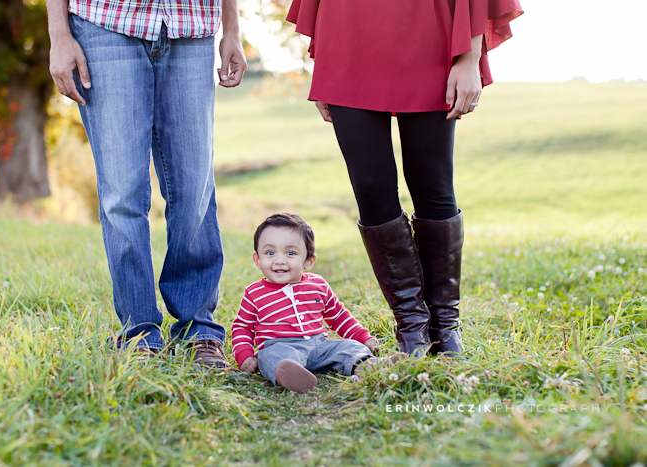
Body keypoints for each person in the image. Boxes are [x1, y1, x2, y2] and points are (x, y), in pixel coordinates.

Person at [286, 0, 523, 357]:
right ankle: (411, 325)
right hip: (347, 37)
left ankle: (445, 327)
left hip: (430, 33)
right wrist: (324, 61)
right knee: (370, 189)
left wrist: (469, 57)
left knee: (433, 185)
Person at [45, 0, 247, 367]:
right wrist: (59, 34)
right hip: (104, 21)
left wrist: (231, 28)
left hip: (193, 24)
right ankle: (138, 332)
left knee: (194, 187)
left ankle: (198, 328)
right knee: (122, 193)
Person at [232, 213, 402, 392]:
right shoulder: (254, 293)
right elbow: (242, 327)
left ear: (308, 261)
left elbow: (338, 316)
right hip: (281, 346)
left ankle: (367, 366)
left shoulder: (317, 285)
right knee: (272, 356)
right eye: (269, 253)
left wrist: (363, 337)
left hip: (319, 345)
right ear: (258, 260)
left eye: (290, 253)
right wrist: (244, 355)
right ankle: (292, 376)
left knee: (347, 347)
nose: (279, 260)